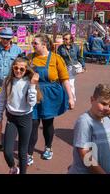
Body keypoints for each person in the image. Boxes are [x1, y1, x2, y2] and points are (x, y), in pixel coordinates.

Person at [27, 34, 74, 165]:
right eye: (33, 43)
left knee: (48, 123)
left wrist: (71, 97)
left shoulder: (55, 58)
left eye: (35, 43)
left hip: (51, 95)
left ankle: (48, 147)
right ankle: (29, 153)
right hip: (34, 93)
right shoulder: (30, 58)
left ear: (44, 44)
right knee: (33, 123)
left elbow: (65, 79)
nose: (33, 45)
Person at [0, 58, 39, 174]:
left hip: (25, 118)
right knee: (7, 151)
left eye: (21, 69)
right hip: (12, 119)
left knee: (22, 153)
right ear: (12, 67)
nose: (18, 71)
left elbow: (32, 103)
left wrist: (33, 86)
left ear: (26, 70)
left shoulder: (29, 82)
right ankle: (13, 168)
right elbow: (1, 101)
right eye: (16, 68)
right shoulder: (7, 81)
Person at [68, 84, 110, 174]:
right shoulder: (85, 122)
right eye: (103, 103)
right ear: (92, 100)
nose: (107, 108)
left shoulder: (107, 121)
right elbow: (85, 153)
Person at [57, 33, 85, 102]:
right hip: (64, 67)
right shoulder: (61, 48)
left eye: (66, 39)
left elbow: (79, 57)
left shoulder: (75, 47)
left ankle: (72, 99)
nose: (64, 40)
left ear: (71, 39)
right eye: (63, 39)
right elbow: (58, 58)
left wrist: (83, 66)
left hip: (72, 68)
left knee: (71, 83)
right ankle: (66, 98)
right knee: (64, 83)